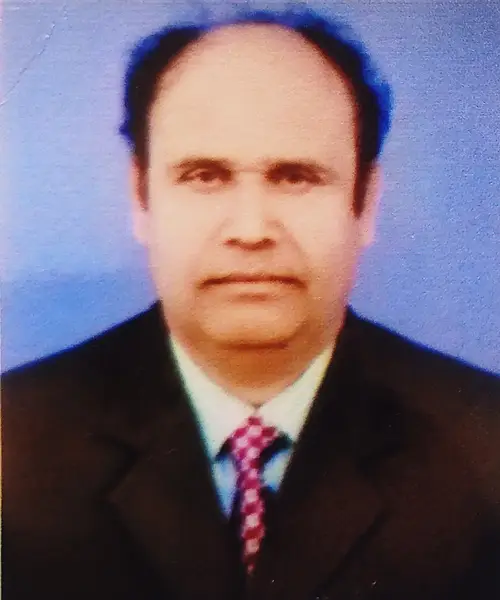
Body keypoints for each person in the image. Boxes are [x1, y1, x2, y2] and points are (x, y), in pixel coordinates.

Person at [2, 4, 500, 600]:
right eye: (205, 176)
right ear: (141, 198)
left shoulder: (486, 447)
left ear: (365, 203)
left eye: (295, 177)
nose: (251, 229)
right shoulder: (15, 442)